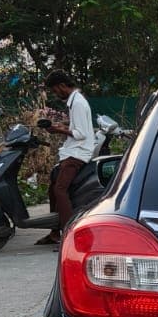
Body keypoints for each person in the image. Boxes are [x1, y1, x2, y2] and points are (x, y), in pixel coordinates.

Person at [36, 72, 94, 245]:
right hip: (71, 151)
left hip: (77, 154)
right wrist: (63, 125)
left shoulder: (78, 103)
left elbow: (81, 134)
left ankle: (70, 235)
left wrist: (58, 130)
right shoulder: (75, 101)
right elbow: (78, 125)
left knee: (60, 190)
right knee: (53, 187)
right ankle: (54, 233)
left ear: (62, 85)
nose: (55, 94)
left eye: (55, 90)